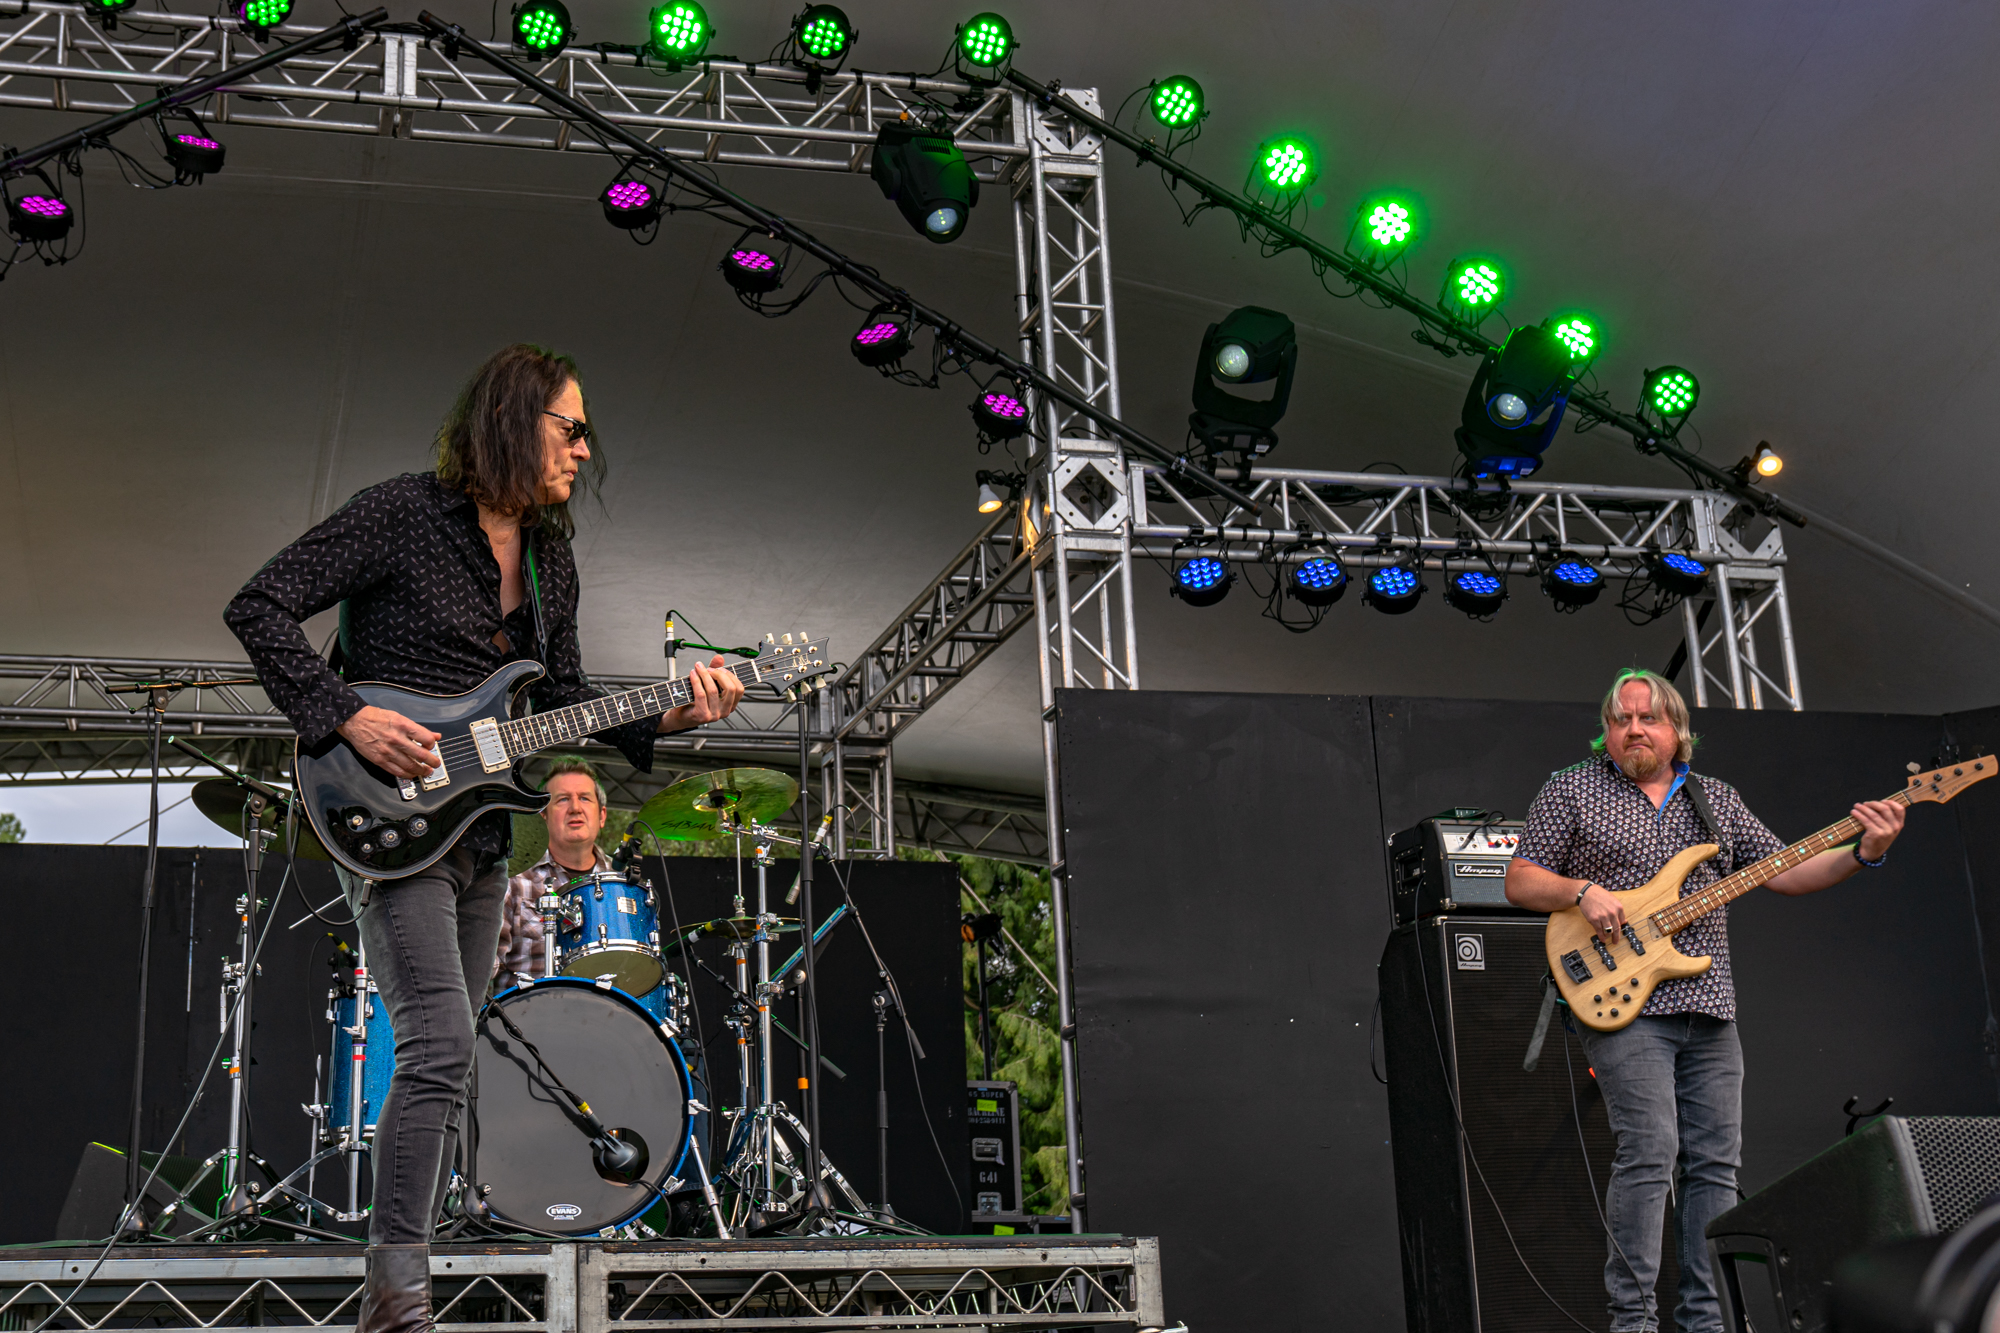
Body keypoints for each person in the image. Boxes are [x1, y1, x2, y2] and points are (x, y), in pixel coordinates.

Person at [224, 344, 745, 1333]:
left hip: (478, 832)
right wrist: (342, 714)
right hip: (384, 810)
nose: (585, 450)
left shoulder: (551, 557)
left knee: (452, 1057)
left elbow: (561, 702)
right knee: (436, 1042)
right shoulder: (399, 514)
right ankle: (396, 1302)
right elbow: (258, 607)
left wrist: (679, 713)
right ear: (514, 421)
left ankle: (406, 1282)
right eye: (571, 427)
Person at [1504, 669, 1904, 1333]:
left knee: (1715, 1164)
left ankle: (1704, 1320)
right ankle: (1632, 1321)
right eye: (1621, 718)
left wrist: (1865, 851)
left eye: (1649, 717)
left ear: (1678, 731)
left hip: (1711, 1004)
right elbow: (1521, 878)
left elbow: (1788, 870)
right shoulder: (1571, 786)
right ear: (1605, 731)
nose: (1634, 728)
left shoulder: (1714, 799)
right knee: (1651, 1151)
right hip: (1626, 1004)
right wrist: (1580, 892)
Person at [492, 758, 611, 986]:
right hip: (525, 1016)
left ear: (602, 816)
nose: (575, 808)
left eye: (584, 798)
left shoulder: (623, 881)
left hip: (605, 1016)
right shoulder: (514, 880)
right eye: (563, 799)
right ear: (543, 817)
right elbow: (482, 966)